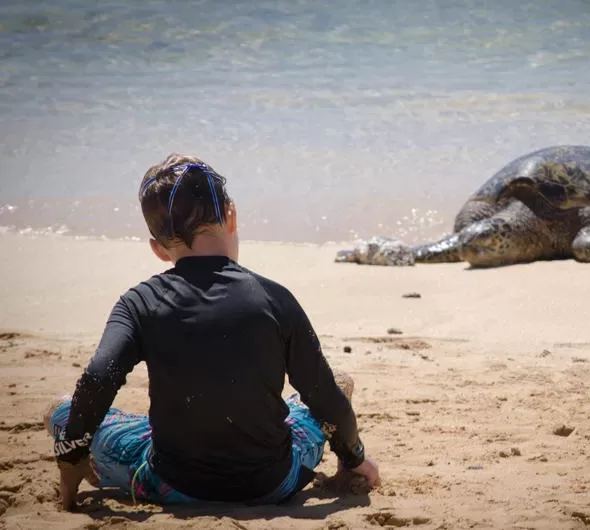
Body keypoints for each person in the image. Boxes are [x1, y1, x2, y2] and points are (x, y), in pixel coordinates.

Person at [44, 154, 380, 511]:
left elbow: (98, 377)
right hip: (272, 484)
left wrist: (72, 457)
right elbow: (324, 395)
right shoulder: (275, 299)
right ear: (231, 216)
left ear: (157, 248)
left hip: (170, 484)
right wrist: (354, 457)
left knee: (60, 411)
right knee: (338, 384)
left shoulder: (139, 303)